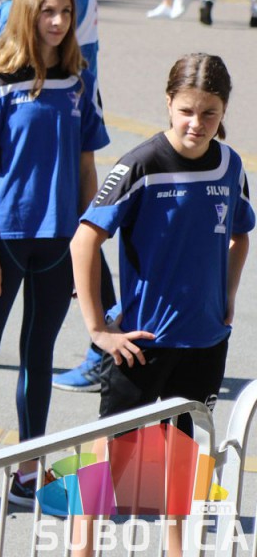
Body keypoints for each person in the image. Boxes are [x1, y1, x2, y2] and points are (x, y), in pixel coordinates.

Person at [69, 53, 252, 557]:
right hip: (143, 343)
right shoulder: (141, 165)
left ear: (224, 110)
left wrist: (228, 294)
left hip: (205, 342)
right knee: (109, 457)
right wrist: (98, 329)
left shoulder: (230, 166)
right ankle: (82, 549)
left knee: (183, 458)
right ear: (169, 103)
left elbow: (240, 234)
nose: (197, 123)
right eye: (187, 110)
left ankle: (176, 550)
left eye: (210, 113)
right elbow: (84, 240)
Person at [0, 0, 109, 523]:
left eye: (65, 12)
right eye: (48, 12)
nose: (59, 22)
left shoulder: (79, 80)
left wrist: (91, 243)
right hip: (5, 242)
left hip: (59, 243)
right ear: (27, 14)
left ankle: (26, 470)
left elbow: (87, 169)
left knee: (38, 358)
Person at [0, 0, 115, 394]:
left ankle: (107, 343)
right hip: (46, 118)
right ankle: (107, 338)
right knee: (64, 228)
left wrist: (9, 3)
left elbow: (14, 41)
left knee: (73, 228)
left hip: (62, 122)